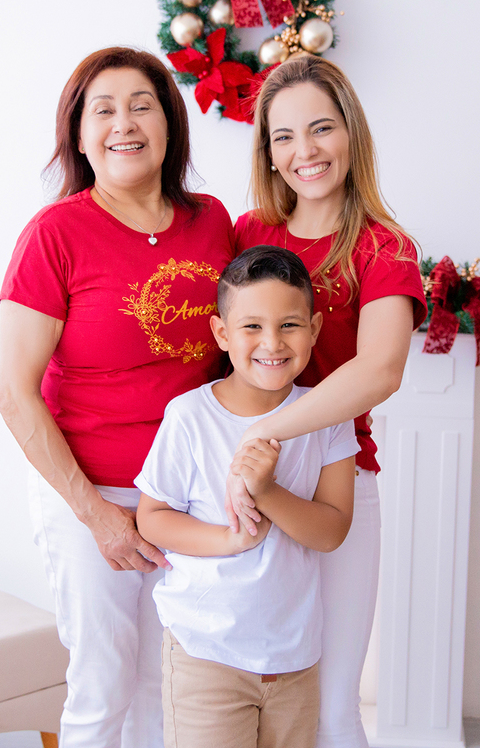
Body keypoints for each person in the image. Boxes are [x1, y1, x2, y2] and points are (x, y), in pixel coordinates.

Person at [0, 46, 235, 748]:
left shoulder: (212, 221)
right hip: (88, 491)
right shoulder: (55, 235)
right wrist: (98, 515)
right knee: (103, 684)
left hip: (187, 498)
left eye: (141, 105)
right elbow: (14, 395)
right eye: (103, 110)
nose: (123, 124)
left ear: (169, 124)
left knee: (175, 684)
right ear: (78, 133)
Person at [229, 56, 429, 748]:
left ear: (352, 133)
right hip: (239, 483)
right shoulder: (246, 234)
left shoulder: (384, 247)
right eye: (283, 136)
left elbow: (379, 370)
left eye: (320, 128)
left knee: (333, 707)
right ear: (269, 153)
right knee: (245, 694)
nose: (304, 151)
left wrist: (267, 435)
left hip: (340, 485)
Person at [135, 245, 358, 748]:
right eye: (252, 326)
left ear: (315, 329)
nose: (272, 343)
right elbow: (152, 517)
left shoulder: (328, 415)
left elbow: (332, 531)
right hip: (205, 654)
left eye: (291, 325)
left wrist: (267, 491)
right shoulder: (189, 416)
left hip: (294, 659)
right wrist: (229, 540)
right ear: (222, 333)